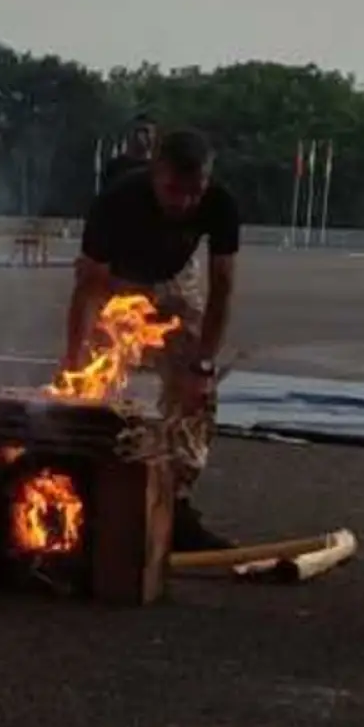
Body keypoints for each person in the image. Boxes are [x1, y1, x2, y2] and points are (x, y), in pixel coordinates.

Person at [69, 128, 242, 552]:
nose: (184, 202)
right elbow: (89, 286)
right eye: (172, 190)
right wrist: (73, 360)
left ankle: (175, 506)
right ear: (153, 175)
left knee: (194, 400)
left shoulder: (220, 204)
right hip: (117, 281)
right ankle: (88, 498)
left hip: (176, 281)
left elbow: (222, 286)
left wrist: (202, 365)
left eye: (194, 191)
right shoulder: (116, 201)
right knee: (95, 392)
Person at [99, 113, 156, 189]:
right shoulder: (115, 166)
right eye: (140, 132)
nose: (142, 137)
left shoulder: (155, 169)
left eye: (148, 133)